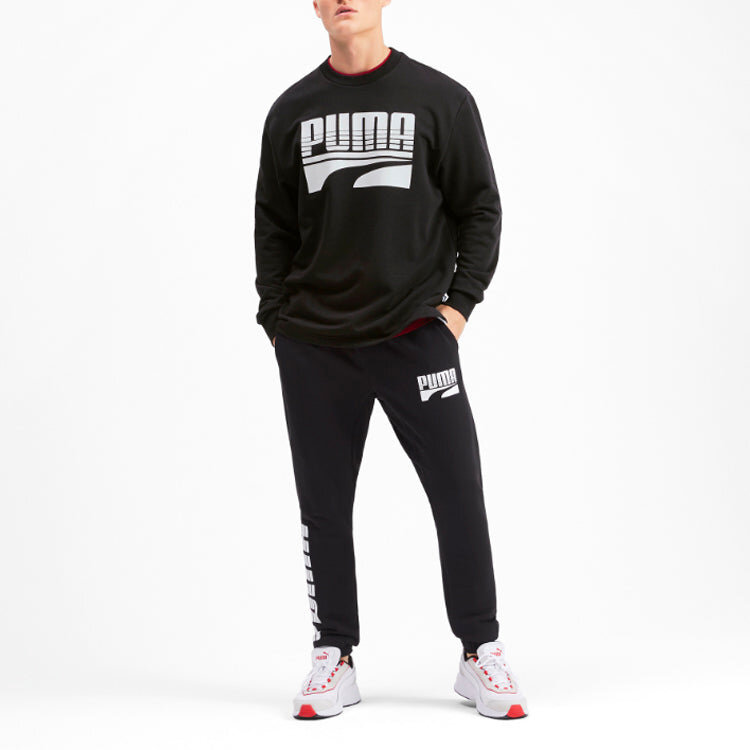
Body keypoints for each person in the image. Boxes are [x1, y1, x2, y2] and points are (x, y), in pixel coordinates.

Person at [254, 0, 528, 721]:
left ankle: (479, 650)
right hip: (314, 343)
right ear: (315, 5)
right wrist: (276, 321)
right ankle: (334, 654)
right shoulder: (291, 111)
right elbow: (272, 224)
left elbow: (481, 209)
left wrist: (458, 308)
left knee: (457, 490)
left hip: (415, 335)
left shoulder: (440, 99)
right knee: (323, 504)